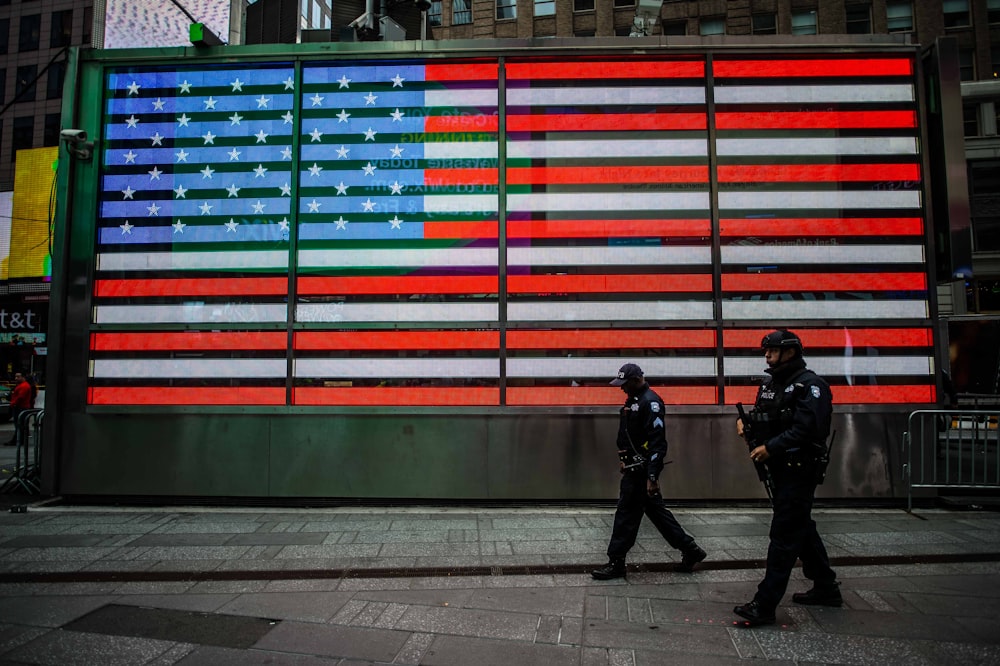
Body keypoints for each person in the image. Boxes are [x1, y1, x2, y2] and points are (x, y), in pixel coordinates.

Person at [733, 330, 841, 627]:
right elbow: (762, 416)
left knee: (783, 534)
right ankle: (826, 587)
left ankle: (764, 604)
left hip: (799, 468)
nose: (766, 355)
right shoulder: (771, 384)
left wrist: (771, 447)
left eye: (773, 350)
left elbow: (808, 429)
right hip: (778, 468)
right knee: (800, 526)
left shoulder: (811, 386)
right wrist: (744, 423)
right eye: (765, 350)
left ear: (790, 352)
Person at [591, 363, 707, 580]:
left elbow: (657, 443)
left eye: (625, 384)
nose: (622, 388)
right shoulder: (635, 400)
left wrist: (652, 476)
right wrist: (624, 458)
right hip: (634, 467)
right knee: (658, 514)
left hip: (641, 471)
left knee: (626, 514)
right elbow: (630, 435)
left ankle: (616, 562)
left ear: (636, 380)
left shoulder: (650, 402)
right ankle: (691, 550)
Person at [7, 371, 33, 446]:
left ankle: (18, 440)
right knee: (19, 425)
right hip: (20, 407)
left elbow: (20, 397)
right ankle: (18, 440)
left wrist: (13, 403)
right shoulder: (22, 385)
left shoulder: (24, 386)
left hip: (20, 407)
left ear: (23, 377)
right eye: (15, 376)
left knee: (19, 425)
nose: (16, 378)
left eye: (18, 377)